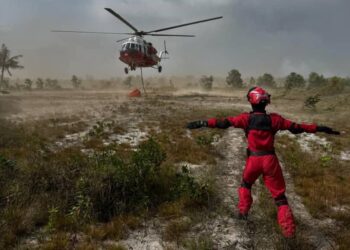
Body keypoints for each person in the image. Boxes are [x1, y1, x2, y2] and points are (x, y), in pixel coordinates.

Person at [186, 86, 340, 238]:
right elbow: (298, 128)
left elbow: (224, 123)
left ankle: (243, 212)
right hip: (270, 161)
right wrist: (320, 128)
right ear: (265, 102)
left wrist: (203, 122)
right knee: (280, 198)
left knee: (246, 184)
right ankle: (289, 232)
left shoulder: (245, 119)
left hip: (253, 160)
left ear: (251, 101)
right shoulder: (275, 120)